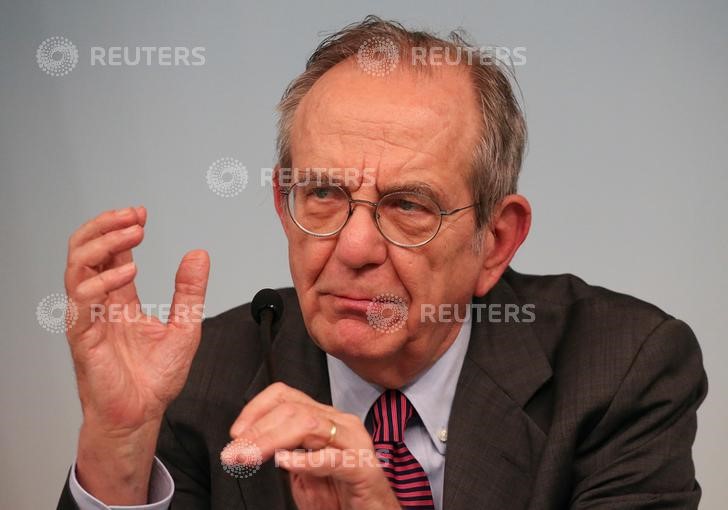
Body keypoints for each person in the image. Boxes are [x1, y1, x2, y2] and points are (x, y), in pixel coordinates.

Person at [57, 16, 708, 510]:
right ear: (285, 207)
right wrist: (120, 440)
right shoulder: (198, 379)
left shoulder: (621, 368)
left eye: (406, 206)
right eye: (323, 195)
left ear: (497, 240)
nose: (355, 248)